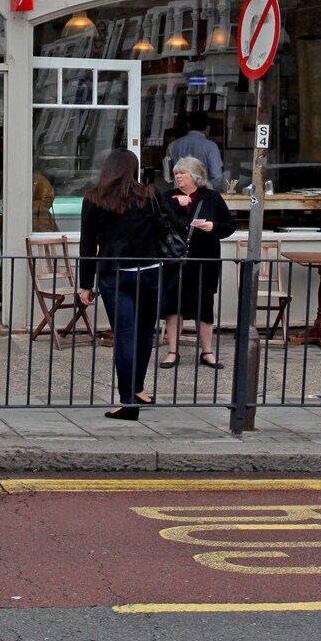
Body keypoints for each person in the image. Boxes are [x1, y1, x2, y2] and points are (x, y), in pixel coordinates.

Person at [77, 149, 161, 418]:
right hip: (149, 271)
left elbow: (88, 245)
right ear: (134, 169)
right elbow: (170, 226)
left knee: (124, 335)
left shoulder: (94, 198)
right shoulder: (149, 194)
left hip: (115, 273)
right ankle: (138, 390)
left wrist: (85, 284)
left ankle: (128, 401)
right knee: (145, 333)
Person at [157, 153, 236, 370]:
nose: (177, 177)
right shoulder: (166, 198)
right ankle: (172, 351)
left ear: (195, 175)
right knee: (174, 306)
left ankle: (207, 352)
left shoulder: (211, 198)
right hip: (175, 262)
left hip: (205, 260)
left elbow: (230, 225)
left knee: (205, 306)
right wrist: (174, 205)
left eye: (182, 173)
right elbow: (154, 222)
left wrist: (214, 228)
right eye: (175, 173)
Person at [166, 113, 224, 193]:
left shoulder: (173, 145)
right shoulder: (211, 146)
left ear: (188, 124)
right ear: (206, 126)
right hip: (204, 193)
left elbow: (168, 175)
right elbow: (216, 175)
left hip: (179, 192)